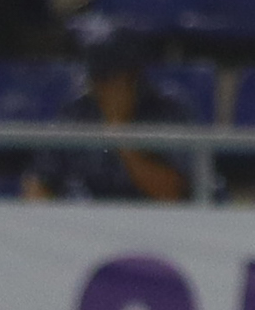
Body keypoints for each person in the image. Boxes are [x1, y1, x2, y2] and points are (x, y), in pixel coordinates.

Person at [23, 34, 191, 203]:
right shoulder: (75, 114)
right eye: (96, 78)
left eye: (109, 78)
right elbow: (38, 182)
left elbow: (172, 193)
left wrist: (120, 134)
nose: (100, 87)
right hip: (84, 220)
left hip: (153, 222)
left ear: (133, 77)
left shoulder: (168, 113)